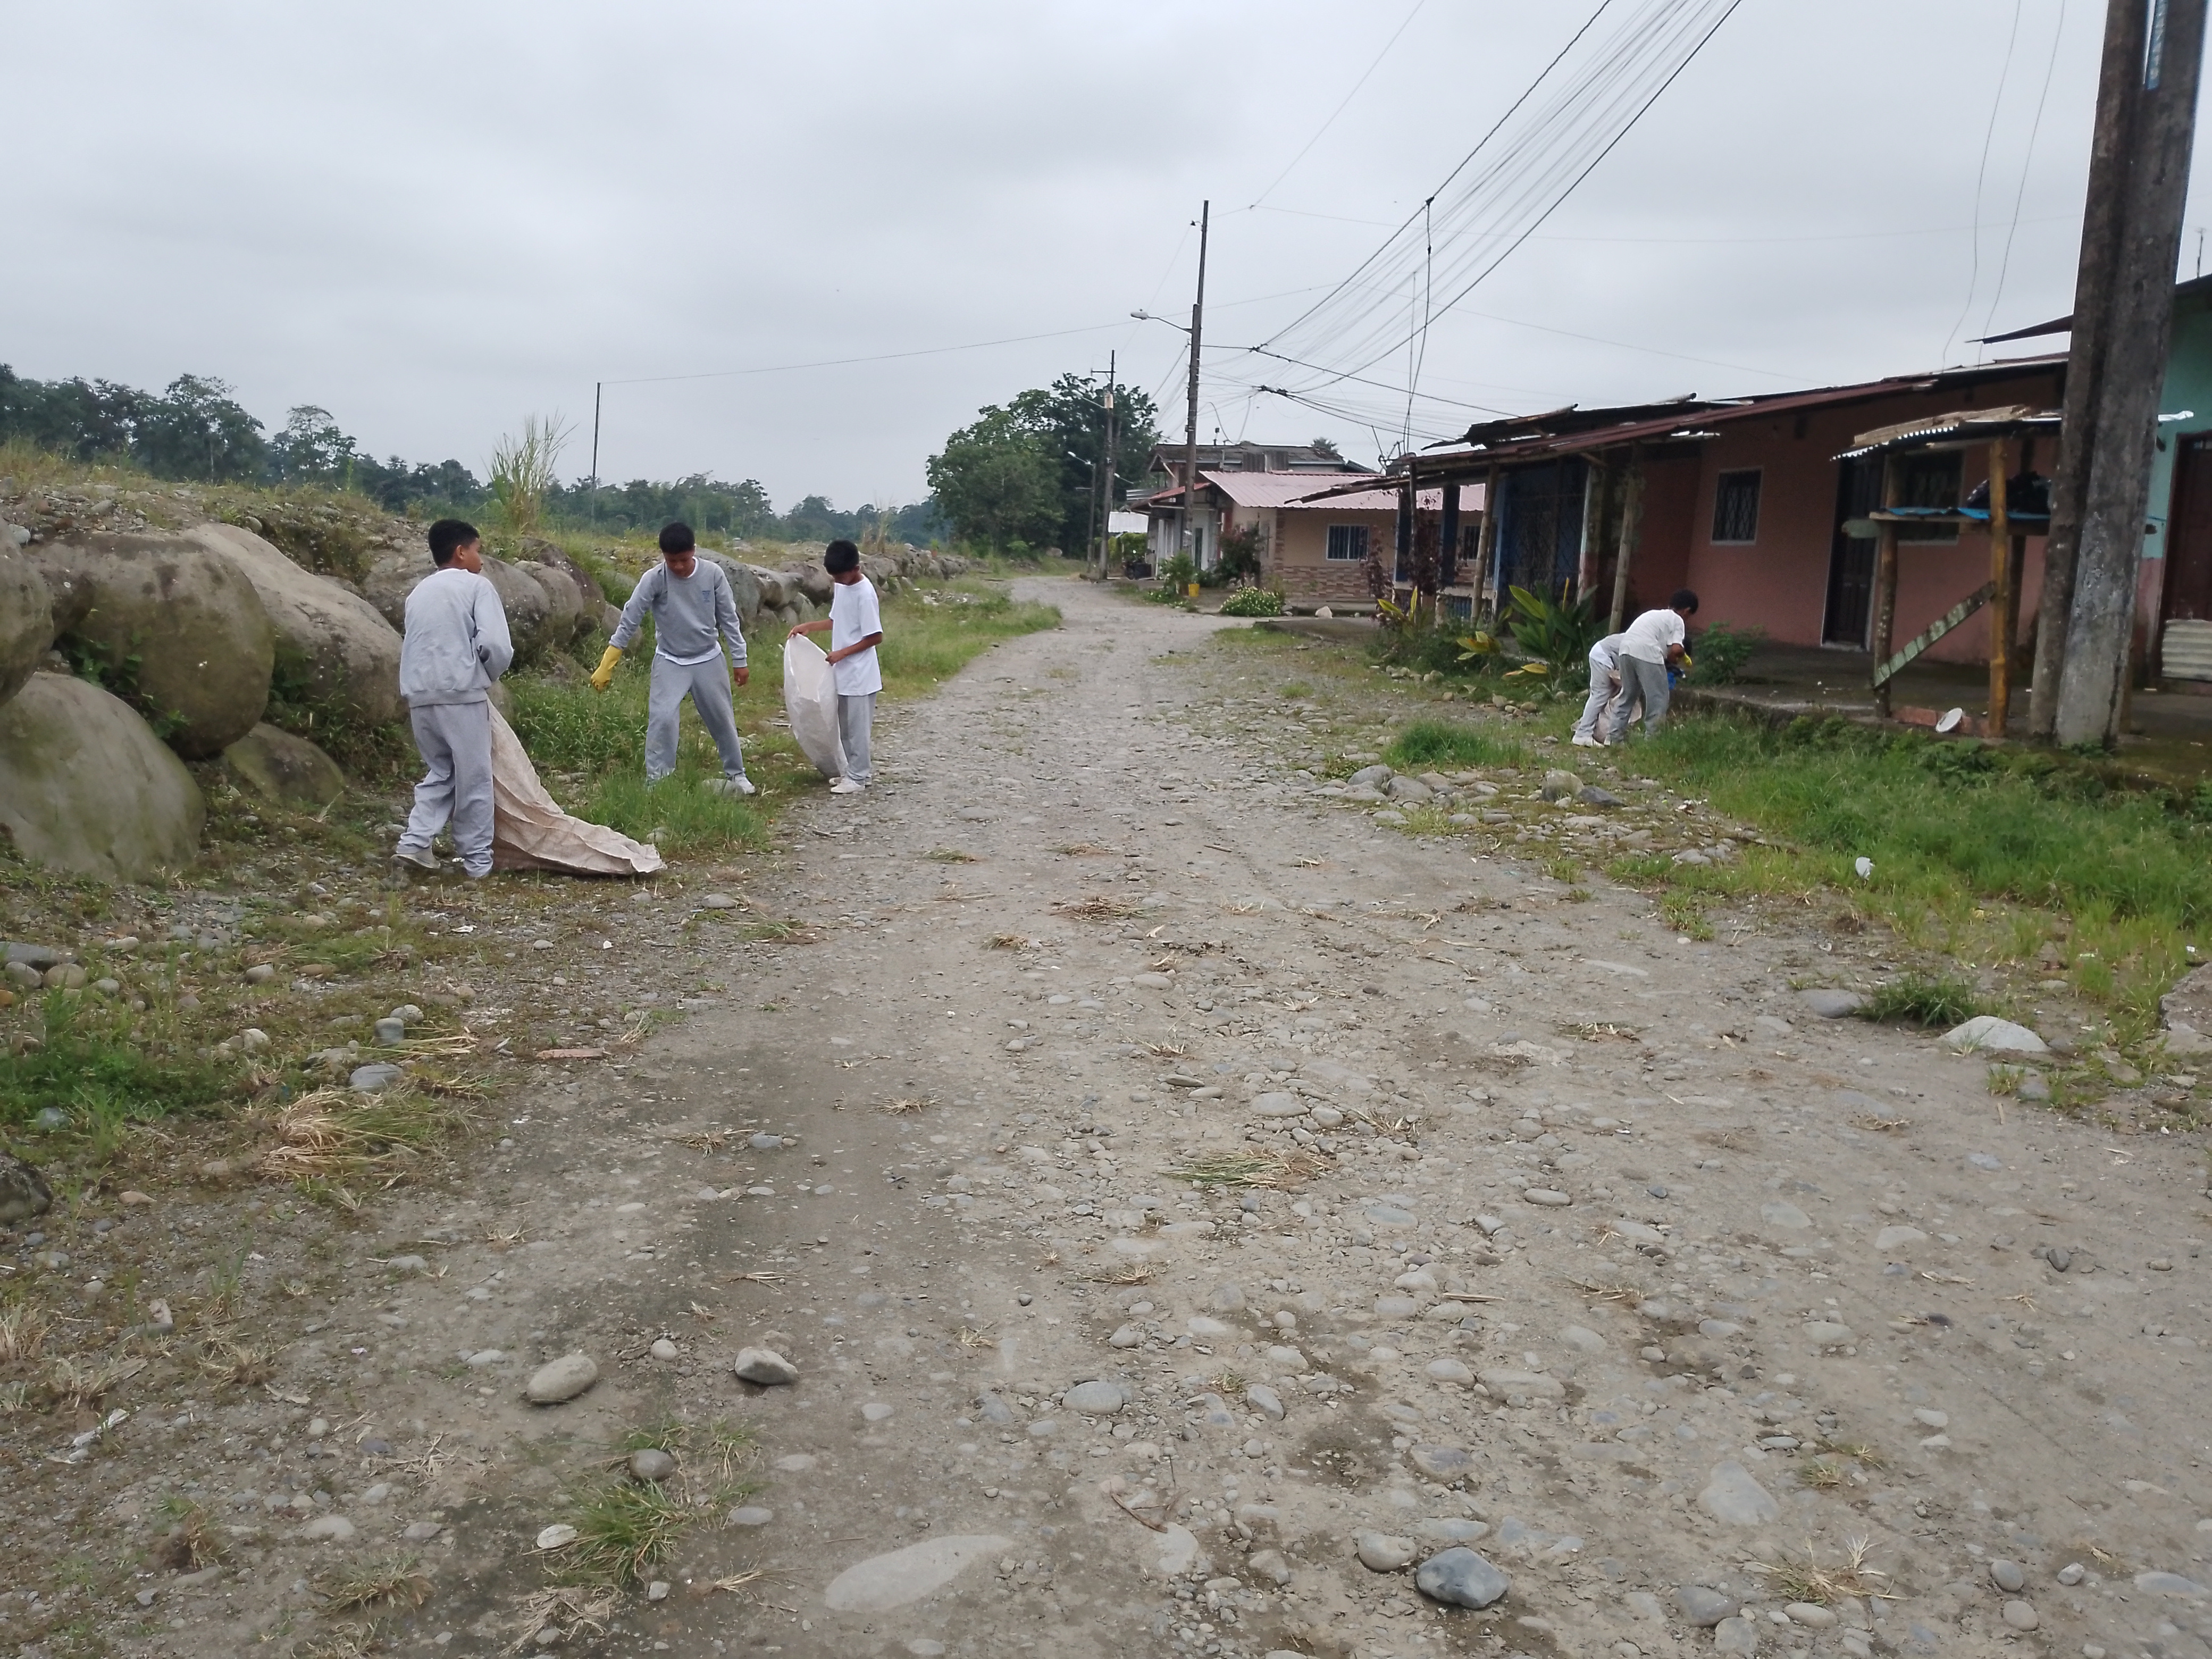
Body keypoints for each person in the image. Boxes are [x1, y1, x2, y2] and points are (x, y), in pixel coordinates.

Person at [590, 522, 754, 795]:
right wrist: (608, 662)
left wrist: (740, 659)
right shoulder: (654, 579)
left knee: (722, 719)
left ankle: (737, 774)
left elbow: (729, 618)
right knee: (662, 719)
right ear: (663, 556)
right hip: (670, 659)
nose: (678, 567)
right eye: (671, 561)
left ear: (694, 551)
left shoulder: (713, 575)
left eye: (684, 560)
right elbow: (630, 618)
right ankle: (658, 781)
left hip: (707, 658)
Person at [394, 519, 513, 878]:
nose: (482, 559)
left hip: (419, 693)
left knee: (442, 771)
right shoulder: (477, 586)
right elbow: (496, 644)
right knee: (474, 777)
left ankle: (415, 842)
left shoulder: (419, 592)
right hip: (461, 693)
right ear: (461, 552)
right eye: (478, 550)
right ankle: (477, 861)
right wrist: (486, 675)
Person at [789, 539, 882, 796]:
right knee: (844, 727)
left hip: (860, 675)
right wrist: (809, 627)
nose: (837, 581)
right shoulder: (843, 586)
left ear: (856, 569)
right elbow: (836, 620)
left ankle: (859, 776)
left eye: (840, 577)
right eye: (834, 577)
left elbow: (875, 636)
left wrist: (843, 653)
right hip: (842, 672)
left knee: (858, 729)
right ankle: (853, 771)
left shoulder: (865, 594)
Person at [1604, 589, 1698, 743]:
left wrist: (1673, 658)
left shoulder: (1653, 614)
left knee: (1628, 695)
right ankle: (1653, 741)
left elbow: (1669, 652)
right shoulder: (1677, 620)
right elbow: (1676, 649)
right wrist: (1683, 658)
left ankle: (1614, 738)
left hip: (1626, 650)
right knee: (1659, 698)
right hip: (1647, 652)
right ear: (1687, 611)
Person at [1571, 630, 1628, 747]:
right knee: (1600, 694)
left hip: (1603, 654)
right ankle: (1582, 734)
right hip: (1602, 656)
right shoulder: (1645, 645)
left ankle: (1589, 727)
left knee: (1605, 695)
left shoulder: (1642, 638)